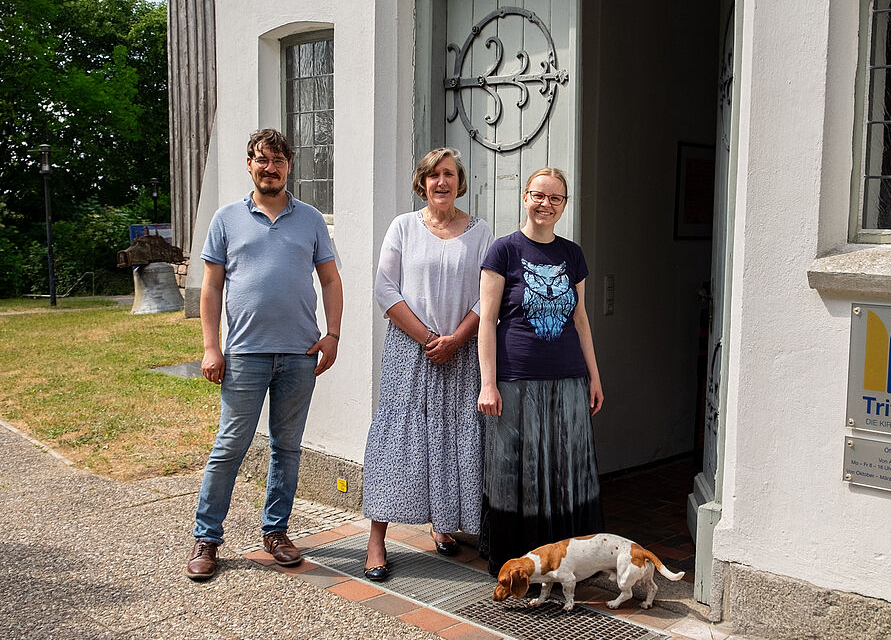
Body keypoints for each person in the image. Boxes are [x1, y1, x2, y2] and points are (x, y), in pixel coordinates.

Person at [185, 128, 343, 581]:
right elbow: (212, 286)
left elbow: (330, 281)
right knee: (229, 447)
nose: (269, 168)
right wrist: (211, 346)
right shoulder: (226, 219)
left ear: (289, 166)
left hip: (299, 354)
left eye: (277, 160)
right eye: (261, 160)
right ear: (249, 165)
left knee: (287, 448)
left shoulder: (310, 219)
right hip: (245, 355)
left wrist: (333, 334)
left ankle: (275, 532)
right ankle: (207, 538)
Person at [361, 148, 494, 581]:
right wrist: (428, 338)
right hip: (409, 351)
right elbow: (385, 289)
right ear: (422, 182)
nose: (442, 182)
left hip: (461, 353)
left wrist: (456, 339)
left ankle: (442, 526)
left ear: (460, 182)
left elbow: (486, 296)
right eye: (433, 175)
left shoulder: (481, 233)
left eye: (450, 174)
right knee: (399, 438)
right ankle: (376, 543)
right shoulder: (403, 227)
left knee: (452, 437)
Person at [476, 167, 605, 576]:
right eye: (539, 195)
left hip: (568, 379)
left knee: (566, 470)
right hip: (516, 381)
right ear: (525, 197)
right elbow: (487, 321)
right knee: (517, 471)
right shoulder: (504, 251)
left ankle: (568, 562)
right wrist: (488, 383)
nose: (545, 204)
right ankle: (517, 562)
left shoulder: (572, 254)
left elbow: (581, 319)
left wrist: (595, 377)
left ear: (564, 205)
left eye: (555, 198)